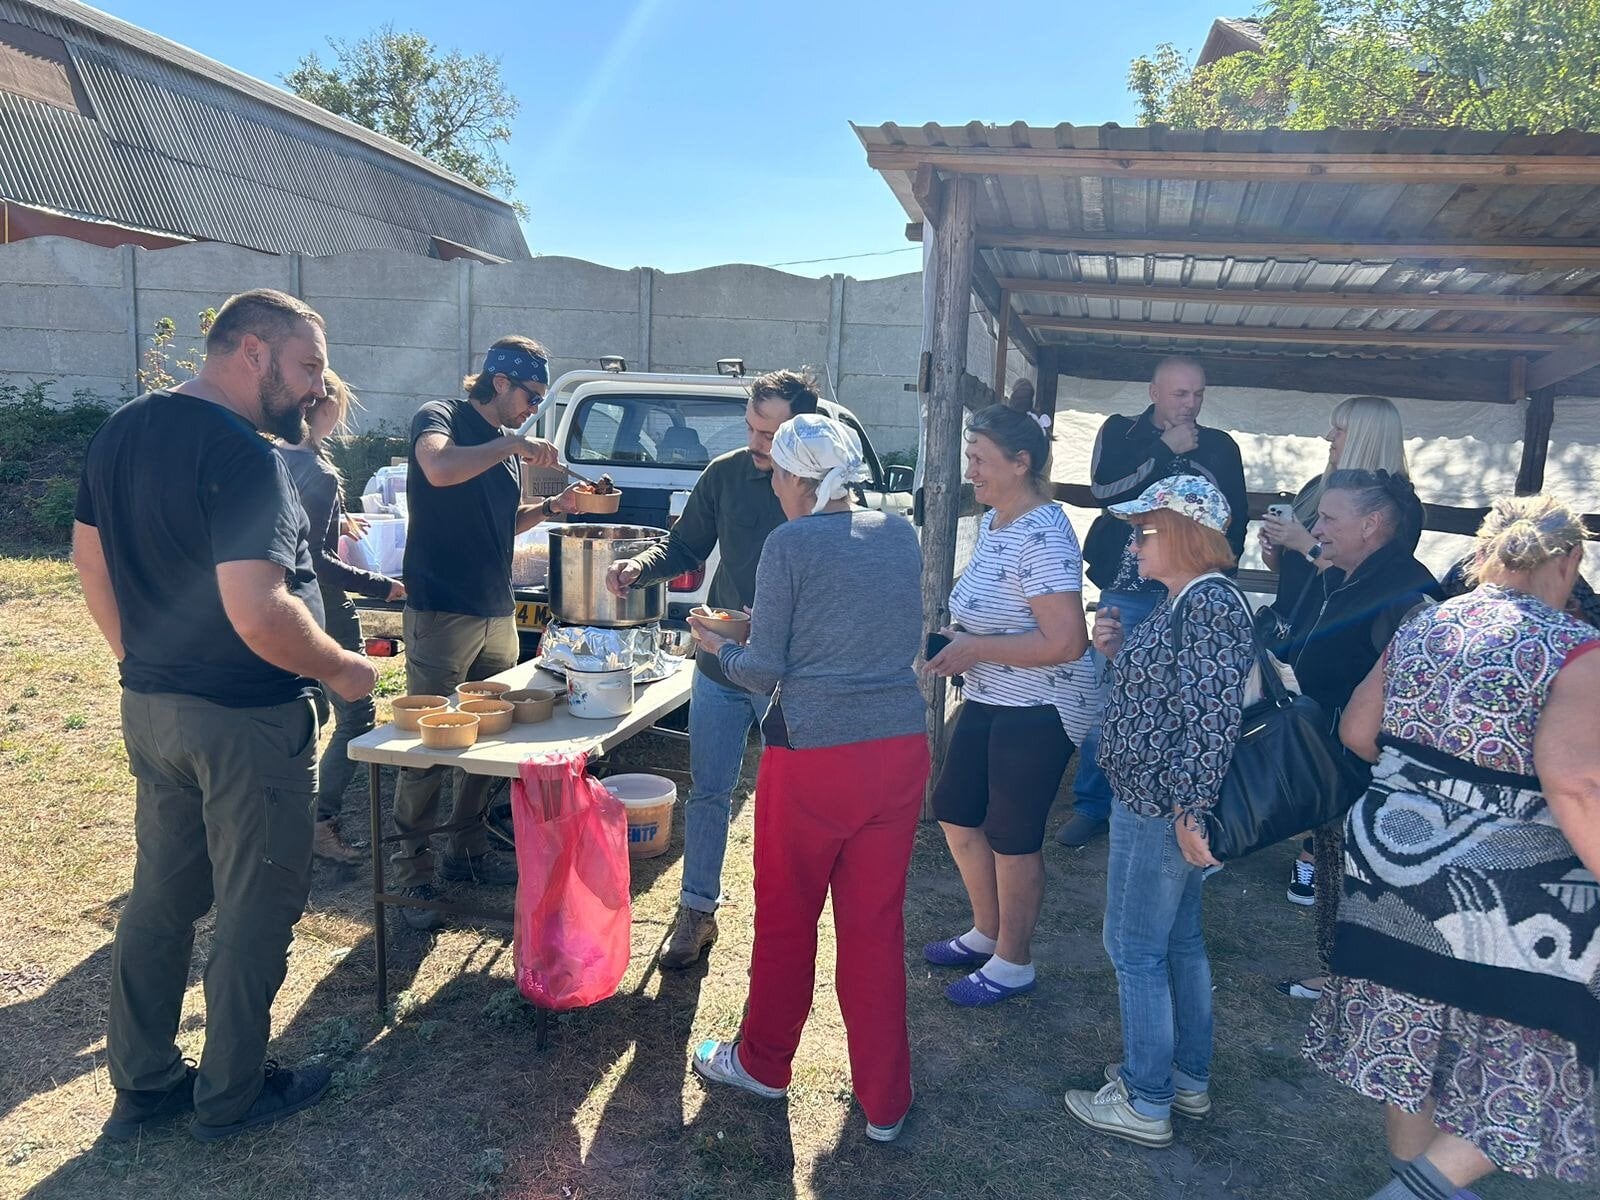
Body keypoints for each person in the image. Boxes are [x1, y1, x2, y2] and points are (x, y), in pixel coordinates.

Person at [73, 288, 378, 1142]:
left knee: (160, 901)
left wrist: (134, 659)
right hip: (245, 723)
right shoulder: (245, 455)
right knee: (256, 907)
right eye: (308, 365)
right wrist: (346, 670)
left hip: (154, 708)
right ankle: (232, 1094)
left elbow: (87, 562)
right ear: (251, 351)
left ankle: (143, 1084)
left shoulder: (124, 428)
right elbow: (258, 611)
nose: (317, 389)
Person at [1305, 494, 1600, 1199]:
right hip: (1508, 886)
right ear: (1568, 560)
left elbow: (1356, 731)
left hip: (1385, 868)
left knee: (1412, 1051)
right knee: (1550, 1047)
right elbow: (1576, 781)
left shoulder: (1425, 622)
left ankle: (1414, 1187)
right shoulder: (1575, 647)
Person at [685, 414, 929, 1144]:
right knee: (876, 930)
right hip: (898, 750)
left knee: (789, 919)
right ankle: (886, 1101)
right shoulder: (897, 534)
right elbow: (860, 627)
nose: (777, 490)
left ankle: (763, 1064)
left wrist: (719, 648)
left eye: (778, 477)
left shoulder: (788, 542)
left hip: (816, 757)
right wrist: (756, 624)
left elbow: (764, 668)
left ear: (796, 478)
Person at [605, 369, 820, 969]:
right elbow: (684, 546)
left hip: (790, 671)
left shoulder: (820, 489)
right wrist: (637, 567)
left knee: (794, 800)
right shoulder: (724, 473)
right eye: (751, 428)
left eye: (770, 433)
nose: (756, 442)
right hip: (721, 661)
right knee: (709, 790)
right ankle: (696, 911)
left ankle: (791, 921)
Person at [1062, 475, 1253, 1149]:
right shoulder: (1186, 601)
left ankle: (1147, 1100)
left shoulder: (1206, 605)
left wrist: (1190, 809)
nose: (1134, 543)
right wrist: (1118, 653)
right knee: (1175, 941)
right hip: (1158, 798)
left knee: (1133, 946)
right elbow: (1173, 696)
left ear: (1182, 535)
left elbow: (1209, 718)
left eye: (1145, 531)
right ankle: (1182, 1077)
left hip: (1159, 803)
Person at [390, 336, 580, 929]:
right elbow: (439, 469)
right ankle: (413, 870)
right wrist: (515, 443)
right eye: (532, 395)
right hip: (442, 607)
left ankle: (465, 849)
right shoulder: (441, 418)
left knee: (490, 739)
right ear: (499, 383)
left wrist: (551, 509)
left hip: (494, 609)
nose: (534, 408)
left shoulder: (506, 451)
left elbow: (503, 520)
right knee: (428, 743)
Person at [923, 405, 1092, 1007]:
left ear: (1022, 463)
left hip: (1042, 706)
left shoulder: (1044, 533)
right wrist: (960, 644)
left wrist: (975, 647)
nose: (970, 470)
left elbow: (1068, 641)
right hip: (994, 694)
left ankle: (1014, 962)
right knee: (955, 808)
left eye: (979, 459)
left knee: (1013, 833)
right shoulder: (997, 520)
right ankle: (986, 933)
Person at [1057, 357, 1247, 849]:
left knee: (1181, 703)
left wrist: (1214, 574)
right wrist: (1165, 451)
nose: (1191, 404)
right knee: (1109, 699)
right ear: (1154, 392)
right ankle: (1093, 805)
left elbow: (1235, 518)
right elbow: (1105, 490)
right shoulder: (1120, 432)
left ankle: (1167, 803)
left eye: (1198, 394)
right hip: (1125, 589)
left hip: (1183, 593)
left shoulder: (1221, 446)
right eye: (1181, 394)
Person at [1266, 469, 1436, 1002]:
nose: (1317, 527)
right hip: (1334, 757)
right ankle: (1343, 976)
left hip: (1371, 768)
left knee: (1362, 883)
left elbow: (1415, 690)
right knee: (1337, 875)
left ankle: (1355, 985)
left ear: (1372, 524)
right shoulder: (1344, 571)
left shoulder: (1403, 592)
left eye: (1330, 518)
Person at [1261, 395, 1412, 908]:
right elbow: (1314, 569)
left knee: (1338, 747)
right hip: (1303, 626)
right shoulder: (1319, 485)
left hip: (1348, 648)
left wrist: (1306, 542)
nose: (1329, 438)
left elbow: (1368, 579)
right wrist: (1280, 550)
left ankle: (1319, 859)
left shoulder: (1397, 504)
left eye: (1340, 429)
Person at [275, 368, 404, 863]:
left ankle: (281, 818)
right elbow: (321, 563)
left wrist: (341, 518)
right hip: (321, 607)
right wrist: (384, 585)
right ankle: (320, 822)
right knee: (355, 714)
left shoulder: (269, 457)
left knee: (305, 711)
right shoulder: (320, 471)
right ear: (324, 408)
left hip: (270, 603)